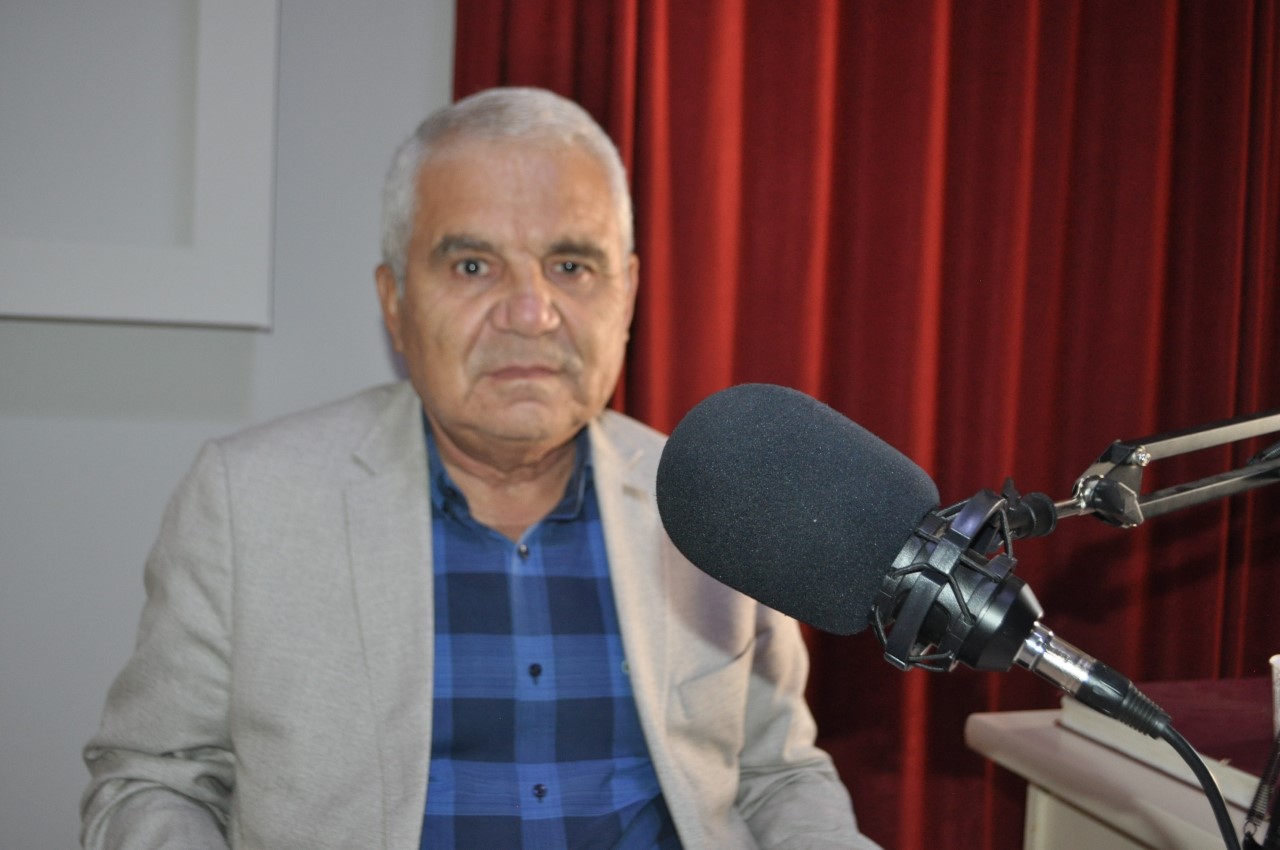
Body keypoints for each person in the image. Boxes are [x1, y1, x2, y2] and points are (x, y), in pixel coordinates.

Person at [81, 87, 880, 850]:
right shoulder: (248, 502)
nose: (531, 313)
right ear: (394, 302)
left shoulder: (725, 501)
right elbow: (155, 781)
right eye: (472, 266)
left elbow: (775, 779)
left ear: (628, 294)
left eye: (571, 266)